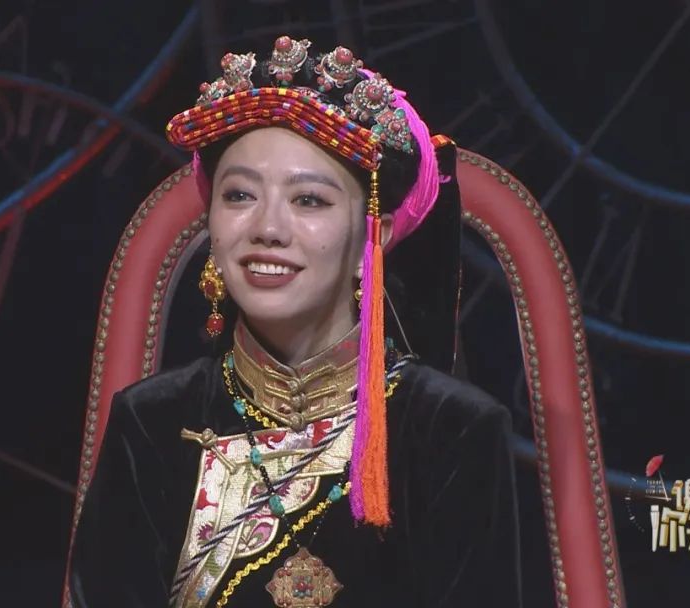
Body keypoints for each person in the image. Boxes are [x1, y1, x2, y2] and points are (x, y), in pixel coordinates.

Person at [67, 36, 522, 608]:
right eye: (240, 195)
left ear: (373, 235)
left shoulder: (450, 430)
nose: (267, 229)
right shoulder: (153, 421)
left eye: (309, 201)